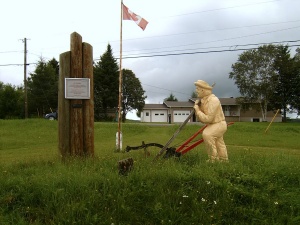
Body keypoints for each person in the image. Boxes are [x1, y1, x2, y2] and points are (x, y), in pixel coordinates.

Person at [193, 80, 228, 162]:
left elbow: (208, 119)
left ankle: (213, 159)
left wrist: (198, 110)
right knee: (219, 142)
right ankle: (224, 159)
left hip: (219, 124)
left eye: (197, 89)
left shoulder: (213, 100)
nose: (196, 91)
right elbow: (202, 119)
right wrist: (198, 108)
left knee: (207, 134)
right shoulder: (204, 101)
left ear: (203, 90)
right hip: (214, 124)